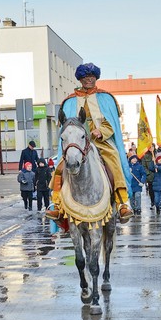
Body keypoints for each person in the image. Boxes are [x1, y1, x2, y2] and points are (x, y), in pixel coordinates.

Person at [45, 63, 133, 223]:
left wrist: (101, 131)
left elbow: (111, 123)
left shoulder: (106, 98)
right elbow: (65, 126)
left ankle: (122, 202)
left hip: (100, 142)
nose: (89, 80)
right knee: (60, 166)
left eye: (92, 77)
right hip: (77, 142)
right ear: (80, 79)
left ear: (96, 78)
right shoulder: (70, 101)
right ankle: (56, 204)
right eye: (86, 77)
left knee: (114, 160)